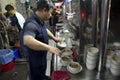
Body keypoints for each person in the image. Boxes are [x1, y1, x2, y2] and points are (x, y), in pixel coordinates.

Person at [22, 0, 62, 80]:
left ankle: (43, 76)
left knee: (42, 70)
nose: (50, 15)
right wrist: (49, 48)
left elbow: (44, 29)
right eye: (50, 13)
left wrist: (54, 38)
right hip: (35, 58)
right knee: (36, 75)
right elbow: (27, 41)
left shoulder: (40, 20)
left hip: (41, 55)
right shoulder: (31, 24)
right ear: (44, 10)